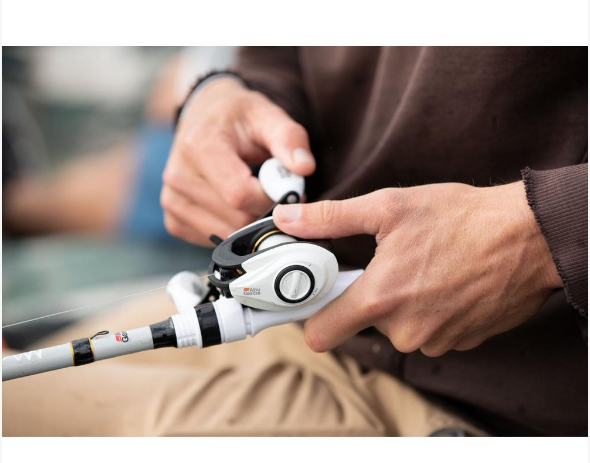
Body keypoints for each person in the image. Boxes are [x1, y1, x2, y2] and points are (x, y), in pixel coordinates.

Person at [3, 46, 587, 437]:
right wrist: (227, 91)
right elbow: (279, 48)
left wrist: (540, 236)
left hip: (485, 409)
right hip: (293, 326)